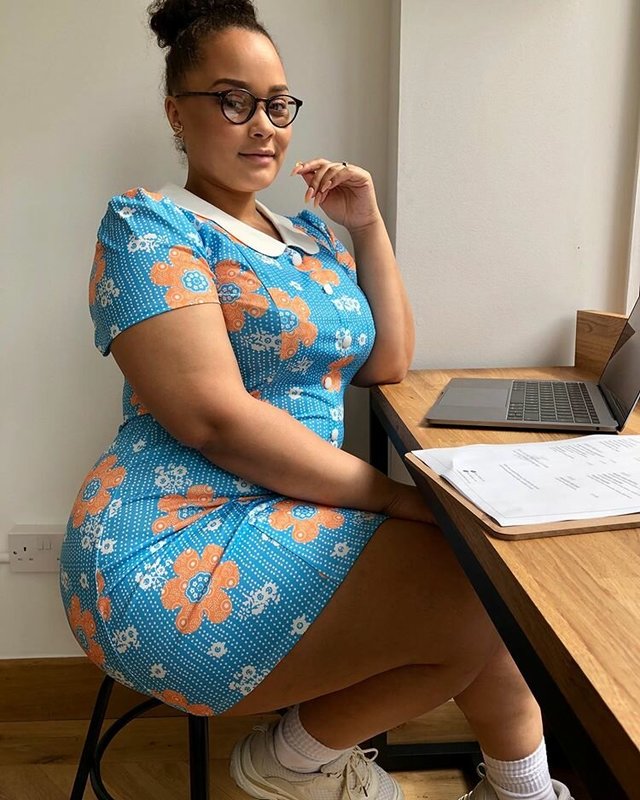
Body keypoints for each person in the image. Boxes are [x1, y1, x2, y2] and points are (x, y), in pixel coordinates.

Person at [59, 1, 574, 799]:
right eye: (234, 101)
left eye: (277, 104)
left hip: (292, 510)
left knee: (485, 586)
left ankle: (515, 791)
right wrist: (395, 499)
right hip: (171, 540)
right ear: (176, 113)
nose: (263, 125)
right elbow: (214, 420)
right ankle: (297, 760)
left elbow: (386, 362)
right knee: (481, 594)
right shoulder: (150, 226)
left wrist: (366, 228)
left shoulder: (308, 235)